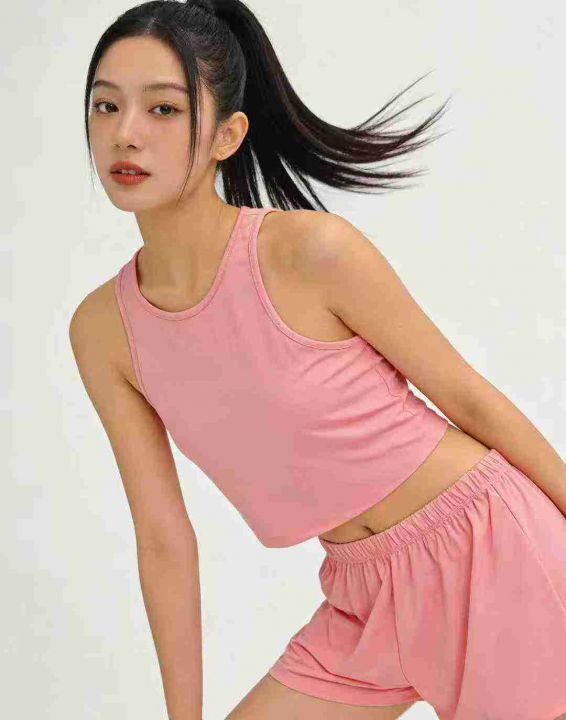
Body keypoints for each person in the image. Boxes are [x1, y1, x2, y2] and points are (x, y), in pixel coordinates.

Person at [68, 1, 566, 718]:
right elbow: (163, 538)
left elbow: (467, 397)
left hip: (494, 554)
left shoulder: (310, 253)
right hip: (361, 600)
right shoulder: (104, 331)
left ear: (227, 134)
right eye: (106, 105)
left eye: (164, 109)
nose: (126, 133)